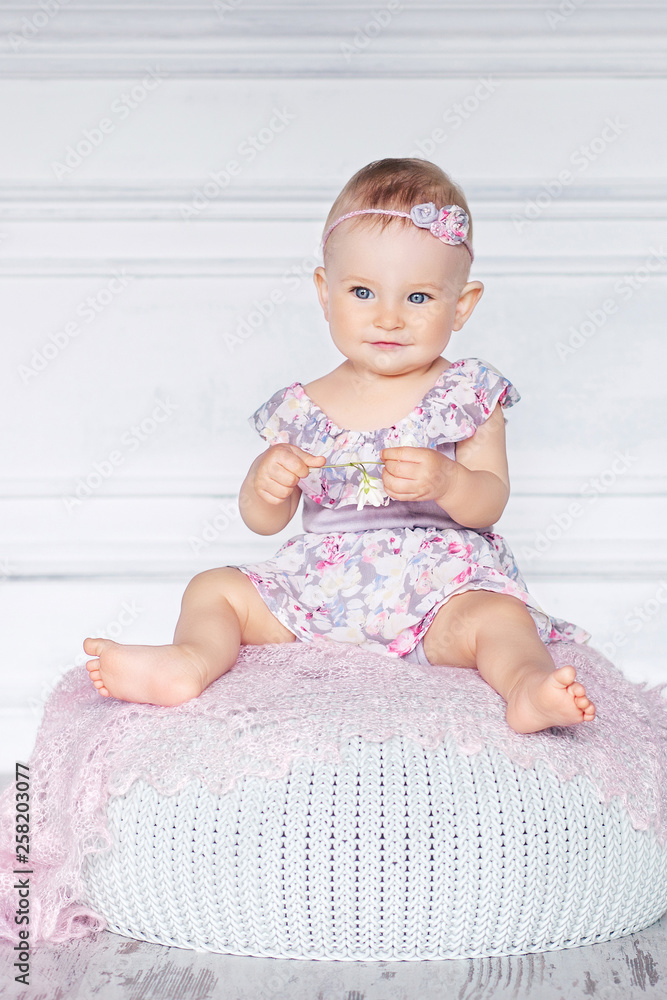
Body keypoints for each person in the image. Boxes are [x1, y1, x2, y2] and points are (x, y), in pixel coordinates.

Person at [84, 157, 596, 735]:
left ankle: (527, 686)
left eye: (418, 298)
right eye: (362, 291)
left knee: (498, 617)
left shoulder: (467, 393)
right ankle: (189, 661)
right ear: (325, 294)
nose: (389, 318)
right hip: (320, 591)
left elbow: (490, 501)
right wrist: (266, 482)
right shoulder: (300, 407)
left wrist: (449, 481)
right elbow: (264, 522)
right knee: (215, 588)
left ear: (462, 305)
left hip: (437, 590)